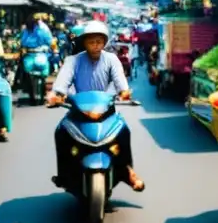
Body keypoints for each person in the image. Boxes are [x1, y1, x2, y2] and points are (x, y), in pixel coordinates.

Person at [48, 20, 145, 192]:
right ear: (84, 43)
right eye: (91, 41)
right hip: (78, 112)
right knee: (60, 132)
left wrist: (124, 92)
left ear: (104, 43)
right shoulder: (73, 61)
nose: (95, 45)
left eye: (99, 41)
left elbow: (121, 82)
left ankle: (128, 171)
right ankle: (64, 173)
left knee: (124, 131)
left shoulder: (112, 59)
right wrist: (57, 95)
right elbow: (62, 82)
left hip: (107, 111)